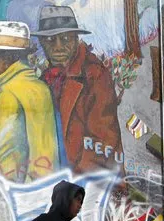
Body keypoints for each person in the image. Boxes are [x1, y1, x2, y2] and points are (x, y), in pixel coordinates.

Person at [34, 6, 123, 174]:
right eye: (51, 40)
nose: (58, 46)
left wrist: (73, 188)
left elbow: (103, 143)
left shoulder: (94, 75)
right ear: (42, 43)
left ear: (76, 39)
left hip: (91, 185)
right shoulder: (45, 79)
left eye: (65, 38)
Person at [0, 20, 60, 183]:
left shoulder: (6, 94)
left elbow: (5, 162)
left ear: (7, 57)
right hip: (41, 194)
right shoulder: (40, 88)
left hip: (10, 199)